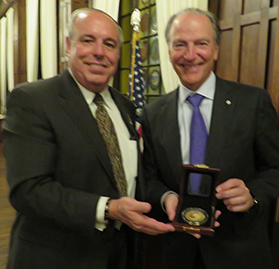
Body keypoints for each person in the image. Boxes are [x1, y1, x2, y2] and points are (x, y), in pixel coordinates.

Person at [3, 8, 174, 269]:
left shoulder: (126, 108)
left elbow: (133, 176)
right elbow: (29, 191)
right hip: (58, 258)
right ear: (69, 46)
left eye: (109, 44)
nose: (99, 52)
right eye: (88, 40)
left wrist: (167, 197)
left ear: (118, 53)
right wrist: (109, 209)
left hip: (122, 254)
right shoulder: (33, 100)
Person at [141, 8, 279, 269]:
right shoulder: (152, 113)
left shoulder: (252, 102)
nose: (190, 55)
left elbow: (277, 170)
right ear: (168, 52)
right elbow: (148, 177)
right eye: (180, 45)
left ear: (216, 50)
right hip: (177, 253)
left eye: (201, 44)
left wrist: (252, 194)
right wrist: (166, 198)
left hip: (240, 252)